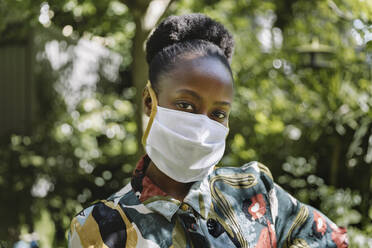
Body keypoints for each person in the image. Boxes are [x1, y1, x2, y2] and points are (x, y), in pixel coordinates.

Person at [68, 13, 348, 248]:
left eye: (218, 113)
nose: (202, 126)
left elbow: (329, 238)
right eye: (186, 105)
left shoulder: (256, 191)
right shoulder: (100, 226)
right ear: (148, 102)